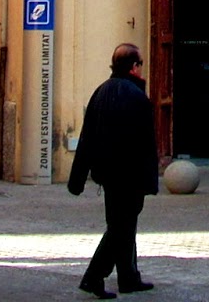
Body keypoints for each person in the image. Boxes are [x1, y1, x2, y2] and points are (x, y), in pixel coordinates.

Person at [68, 43, 159, 297]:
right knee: (121, 229)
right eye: (140, 63)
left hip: (107, 175)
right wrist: (150, 180)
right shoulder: (136, 97)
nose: (142, 68)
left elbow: (87, 138)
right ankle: (94, 277)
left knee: (122, 226)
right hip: (129, 176)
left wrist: (77, 178)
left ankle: (129, 277)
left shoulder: (100, 92)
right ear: (134, 67)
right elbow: (145, 145)